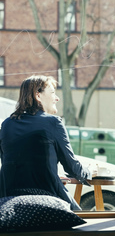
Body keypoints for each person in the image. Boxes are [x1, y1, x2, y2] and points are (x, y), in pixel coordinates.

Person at [0, 75, 92, 210]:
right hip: (46, 200)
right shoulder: (53, 122)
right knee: (83, 221)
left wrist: (48, 173)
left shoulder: (7, 124)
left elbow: (12, 163)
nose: (57, 98)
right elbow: (72, 168)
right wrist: (89, 172)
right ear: (38, 95)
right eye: (53, 92)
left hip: (10, 202)